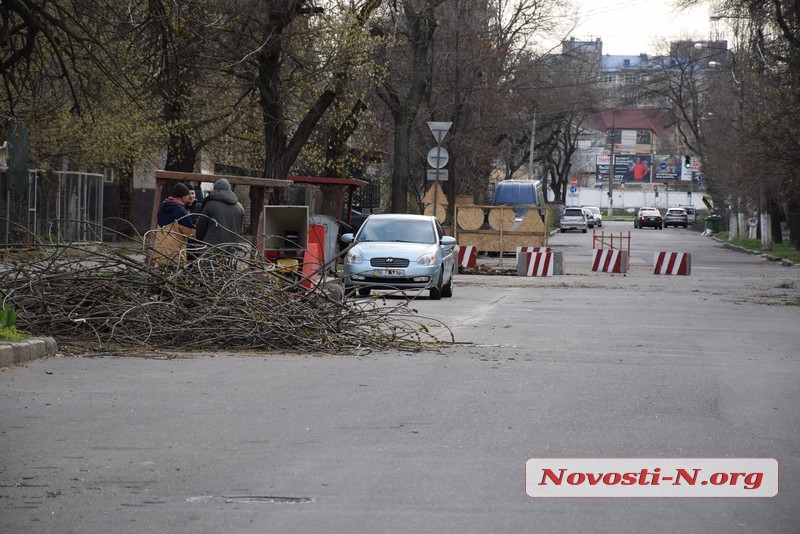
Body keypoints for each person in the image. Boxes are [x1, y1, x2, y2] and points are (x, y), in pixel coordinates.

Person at [152, 183, 196, 267]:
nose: (188, 198)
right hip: (174, 254)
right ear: (183, 197)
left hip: (160, 252)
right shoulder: (180, 210)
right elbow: (191, 233)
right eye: (187, 196)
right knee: (175, 278)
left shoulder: (163, 208)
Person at [195, 178, 245, 246]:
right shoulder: (240, 207)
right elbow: (240, 231)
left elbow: (201, 227)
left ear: (217, 190)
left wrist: (199, 242)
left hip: (211, 249)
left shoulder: (210, 204)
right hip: (232, 249)